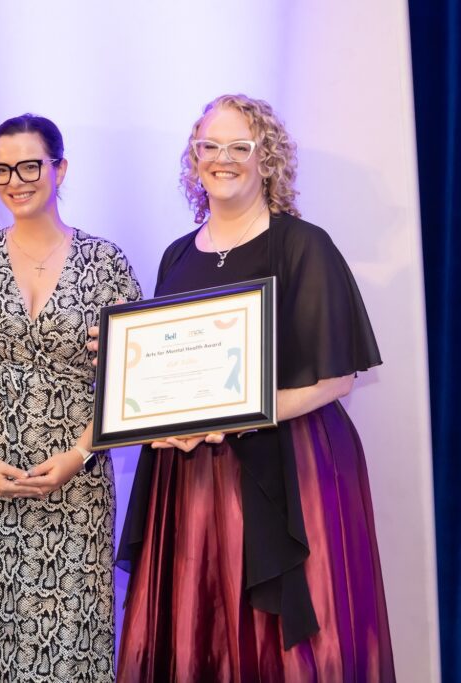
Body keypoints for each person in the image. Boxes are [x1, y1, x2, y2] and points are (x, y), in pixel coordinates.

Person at [109, 94, 395, 681]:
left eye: (240, 146)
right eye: (209, 146)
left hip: (292, 470)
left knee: (288, 648)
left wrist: (246, 416)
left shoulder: (302, 245)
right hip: (190, 477)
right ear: (194, 160)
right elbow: (170, 371)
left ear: (267, 159)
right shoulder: (177, 255)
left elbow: (339, 376)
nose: (223, 159)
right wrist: (128, 377)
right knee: (200, 632)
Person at [0, 114, 142, 682]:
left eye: (29, 165)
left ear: (59, 168)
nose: (15, 179)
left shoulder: (106, 263)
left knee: (68, 646)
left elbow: (133, 379)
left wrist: (76, 457)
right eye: (2, 168)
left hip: (75, 485)